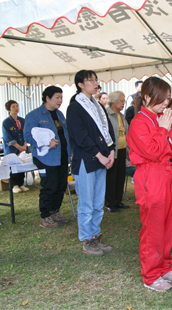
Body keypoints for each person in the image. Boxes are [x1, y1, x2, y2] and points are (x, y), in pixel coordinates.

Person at [127, 77, 172, 292]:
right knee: (153, 227)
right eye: (162, 99)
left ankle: (164, 266)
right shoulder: (139, 122)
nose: (166, 103)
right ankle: (151, 274)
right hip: (151, 176)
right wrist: (163, 131)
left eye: (169, 99)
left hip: (168, 174)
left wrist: (166, 131)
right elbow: (151, 151)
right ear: (147, 97)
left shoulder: (164, 118)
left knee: (169, 224)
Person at [67, 70, 115, 257]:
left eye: (95, 80)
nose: (94, 83)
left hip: (101, 159)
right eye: (89, 80)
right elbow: (80, 136)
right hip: (86, 160)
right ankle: (87, 239)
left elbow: (107, 129)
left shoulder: (97, 105)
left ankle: (95, 235)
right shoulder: (75, 107)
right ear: (80, 84)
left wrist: (110, 151)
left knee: (97, 202)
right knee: (86, 203)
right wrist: (100, 155)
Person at [23, 86, 71, 228]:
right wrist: (45, 142)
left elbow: (66, 134)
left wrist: (71, 150)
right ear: (47, 98)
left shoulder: (60, 114)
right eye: (57, 97)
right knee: (50, 186)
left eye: (61, 97)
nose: (60, 100)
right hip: (46, 158)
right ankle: (45, 216)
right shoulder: (34, 115)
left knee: (61, 185)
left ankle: (54, 211)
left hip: (62, 156)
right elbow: (28, 136)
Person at [105, 91, 130, 212]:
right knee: (111, 177)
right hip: (111, 151)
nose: (123, 103)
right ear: (113, 101)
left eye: (124, 101)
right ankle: (109, 203)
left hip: (122, 149)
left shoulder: (121, 115)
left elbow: (127, 132)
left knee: (121, 175)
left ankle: (118, 201)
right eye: (121, 100)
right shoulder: (106, 114)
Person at [2, 100, 29, 193]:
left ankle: (21, 184)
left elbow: (26, 133)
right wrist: (18, 147)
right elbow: (7, 137)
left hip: (22, 147)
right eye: (13, 106)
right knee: (13, 165)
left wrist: (24, 145)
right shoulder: (6, 122)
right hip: (12, 148)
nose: (16, 108)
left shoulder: (22, 120)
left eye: (17, 106)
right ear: (9, 109)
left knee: (22, 164)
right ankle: (14, 185)